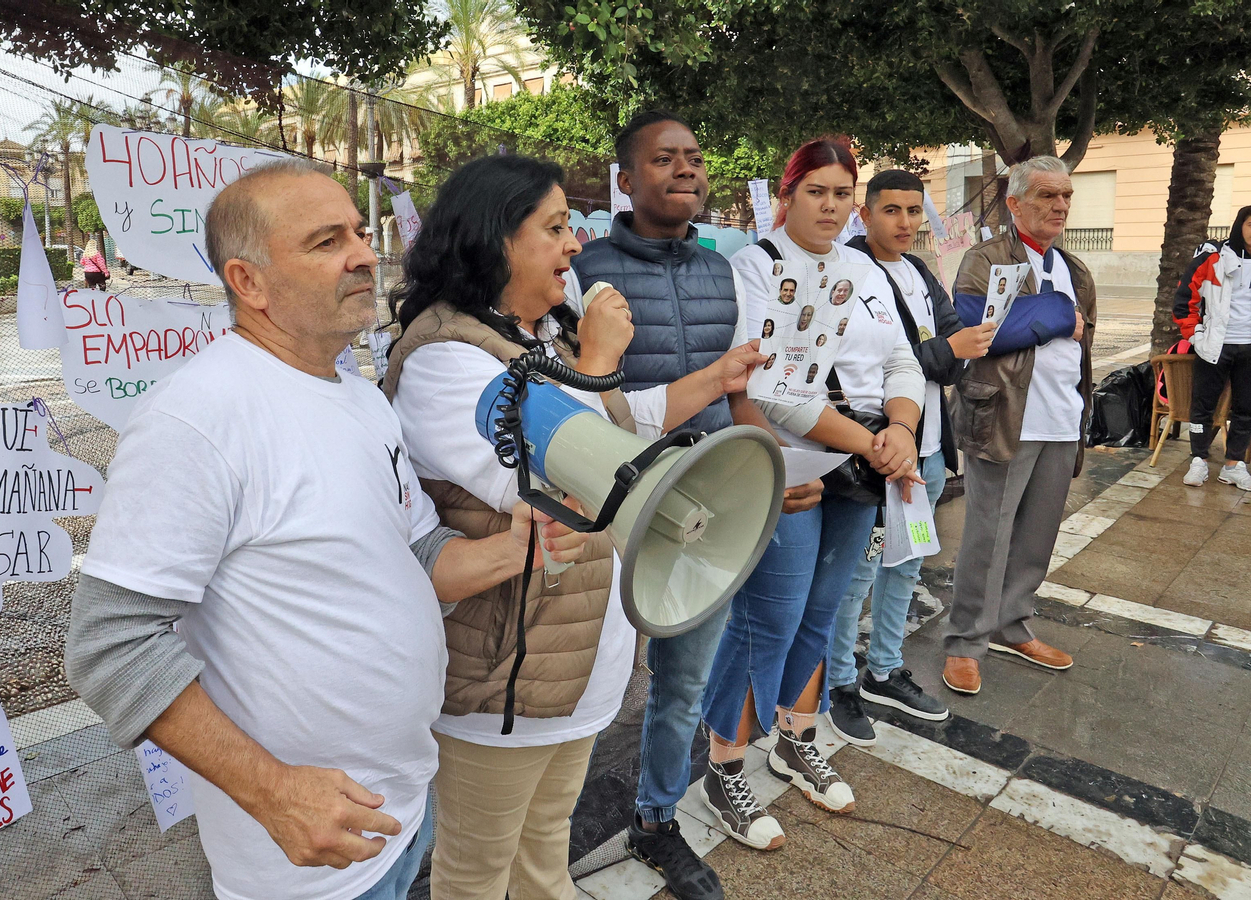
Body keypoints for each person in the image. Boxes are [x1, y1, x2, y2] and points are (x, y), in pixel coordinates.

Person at [64, 161, 587, 900]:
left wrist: (513, 550)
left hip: (397, 811)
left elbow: (417, 552)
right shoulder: (198, 417)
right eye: (326, 241)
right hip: (304, 863)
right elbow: (109, 646)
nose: (365, 254)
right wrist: (272, 792)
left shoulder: (359, 399)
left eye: (361, 232)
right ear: (249, 282)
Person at [388, 153, 764, 900]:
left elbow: (626, 423)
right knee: (478, 874)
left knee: (542, 860)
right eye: (555, 227)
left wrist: (715, 380)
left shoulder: (535, 336)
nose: (573, 246)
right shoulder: (445, 357)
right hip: (507, 683)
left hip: (573, 670)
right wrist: (596, 360)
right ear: (495, 239)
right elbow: (561, 476)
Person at [569, 111, 820, 900]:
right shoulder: (586, 272)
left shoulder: (724, 269)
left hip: (705, 511)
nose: (685, 170)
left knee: (680, 685)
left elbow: (739, 387)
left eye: (695, 159)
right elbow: (581, 399)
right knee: (578, 691)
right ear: (627, 179)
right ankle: (536, 843)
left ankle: (655, 820)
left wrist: (771, 472)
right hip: (608, 509)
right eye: (664, 159)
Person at [701, 136, 924, 850]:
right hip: (792, 465)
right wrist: (870, 442)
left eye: (839, 193)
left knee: (826, 612)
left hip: (864, 464)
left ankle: (796, 737)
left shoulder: (861, 267)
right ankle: (724, 765)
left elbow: (901, 359)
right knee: (767, 617)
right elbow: (766, 385)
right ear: (789, 194)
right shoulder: (755, 268)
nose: (829, 206)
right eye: (815, 191)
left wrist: (902, 428)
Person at [825, 169, 997, 745]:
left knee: (906, 563)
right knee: (857, 572)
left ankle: (885, 668)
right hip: (874, 448)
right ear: (865, 214)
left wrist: (945, 351)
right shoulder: (850, 272)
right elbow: (869, 362)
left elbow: (948, 361)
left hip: (923, 449)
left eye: (914, 211)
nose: (904, 222)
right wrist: (945, 350)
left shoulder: (921, 270)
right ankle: (840, 682)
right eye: (891, 210)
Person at [944, 155, 1094, 696]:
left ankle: (1012, 623)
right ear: (1014, 203)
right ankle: (965, 640)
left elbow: (1075, 341)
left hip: (1061, 415)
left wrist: (1038, 317)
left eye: (1066, 197)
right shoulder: (984, 259)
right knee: (988, 534)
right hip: (1004, 415)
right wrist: (1053, 314)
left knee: (1036, 535)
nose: (1059, 206)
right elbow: (979, 330)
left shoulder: (1074, 268)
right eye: (1047, 196)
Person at [1173, 204, 1251, 489]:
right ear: (1239, 226)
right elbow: (1184, 300)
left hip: (1249, 347)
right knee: (1202, 407)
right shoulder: (1215, 258)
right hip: (1215, 346)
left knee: (1246, 409)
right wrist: (1196, 336)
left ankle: (1233, 464)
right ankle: (1198, 460)